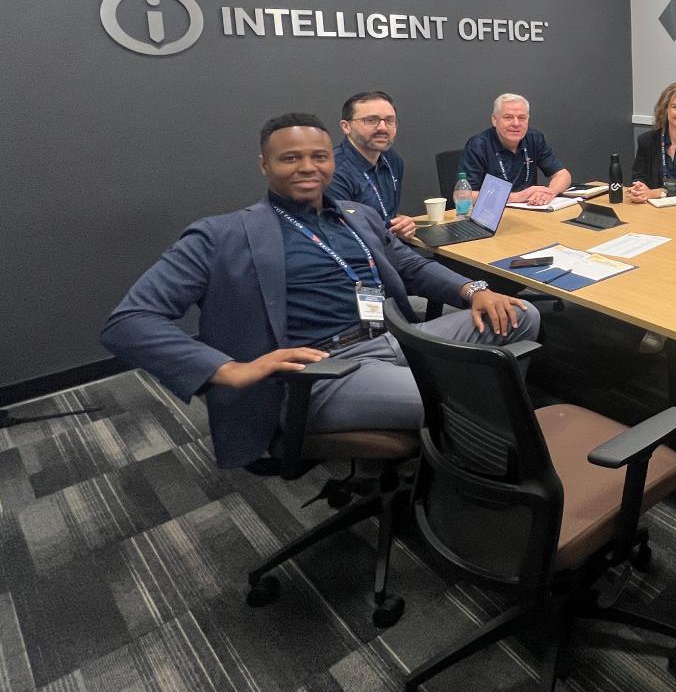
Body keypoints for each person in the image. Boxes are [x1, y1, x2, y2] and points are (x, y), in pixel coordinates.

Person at [101, 113, 538, 471]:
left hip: (390, 338)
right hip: (322, 372)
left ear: (333, 161)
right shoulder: (221, 235)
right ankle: (487, 476)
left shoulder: (356, 216)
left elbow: (409, 264)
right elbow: (130, 323)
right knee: (464, 398)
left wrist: (474, 288)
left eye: (319, 157)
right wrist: (226, 370)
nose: (308, 167)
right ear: (264, 165)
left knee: (520, 314)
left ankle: (473, 435)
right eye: (290, 158)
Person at [327, 90, 415, 240]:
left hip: (392, 247)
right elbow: (339, 233)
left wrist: (403, 224)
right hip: (359, 256)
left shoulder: (392, 160)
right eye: (371, 120)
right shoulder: (333, 172)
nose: (383, 128)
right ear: (346, 126)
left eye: (389, 120)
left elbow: (384, 215)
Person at [459, 92, 572, 206]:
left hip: (529, 210)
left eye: (522, 118)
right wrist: (516, 197)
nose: (516, 123)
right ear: (494, 120)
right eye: (508, 117)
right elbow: (464, 195)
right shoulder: (478, 145)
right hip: (491, 213)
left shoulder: (534, 138)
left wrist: (550, 192)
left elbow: (563, 175)